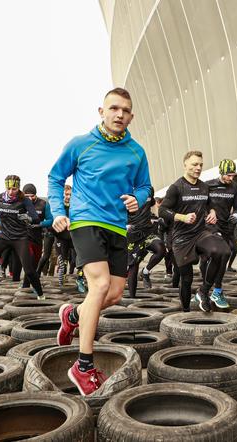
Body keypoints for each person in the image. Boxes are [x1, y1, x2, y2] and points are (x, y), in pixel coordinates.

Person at [51, 88, 152, 396]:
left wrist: (138, 199)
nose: (119, 114)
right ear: (101, 111)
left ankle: (72, 315)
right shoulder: (80, 145)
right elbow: (56, 178)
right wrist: (58, 211)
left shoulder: (136, 151)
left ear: (131, 116)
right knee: (100, 286)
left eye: (125, 110)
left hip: (117, 227)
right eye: (114, 108)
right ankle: (83, 366)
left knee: (116, 292)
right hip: (85, 221)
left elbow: (145, 185)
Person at [159, 150, 231, 312]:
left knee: (222, 251)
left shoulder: (204, 187)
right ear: (185, 165)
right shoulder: (176, 187)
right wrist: (181, 217)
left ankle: (203, 291)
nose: (198, 168)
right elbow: (162, 210)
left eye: (200, 165)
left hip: (200, 233)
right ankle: (185, 312)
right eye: (194, 164)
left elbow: (210, 204)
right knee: (186, 279)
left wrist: (212, 212)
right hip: (182, 238)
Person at [0, 175, 44, 307]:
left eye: (14, 189)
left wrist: (26, 217)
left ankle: (41, 295)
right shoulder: (0, 197)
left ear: (18, 187)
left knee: (28, 270)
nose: (11, 192)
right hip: (3, 237)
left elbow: (36, 218)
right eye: (9, 188)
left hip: (20, 238)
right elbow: (1, 211)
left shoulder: (24, 201)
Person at [202, 158, 237, 308]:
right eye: (229, 175)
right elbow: (201, 205)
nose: (231, 178)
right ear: (221, 173)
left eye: (233, 175)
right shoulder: (208, 185)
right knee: (217, 256)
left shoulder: (235, 187)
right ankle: (211, 290)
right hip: (211, 226)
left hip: (227, 226)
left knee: (225, 256)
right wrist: (209, 211)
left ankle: (214, 291)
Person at [126, 186, 166, 296]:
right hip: (133, 234)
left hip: (148, 233)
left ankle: (145, 272)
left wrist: (155, 218)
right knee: (134, 265)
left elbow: (151, 206)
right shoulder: (125, 188)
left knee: (161, 250)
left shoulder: (148, 189)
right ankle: (132, 298)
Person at [20, 183, 54, 290]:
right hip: (24, 236)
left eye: (32, 196)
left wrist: (40, 224)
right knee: (28, 259)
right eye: (27, 196)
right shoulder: (19, 203)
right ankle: (25, 286)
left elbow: (50, 220)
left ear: (36, 194)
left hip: (37, 236)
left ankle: (29, 284)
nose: (30, 198)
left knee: (35, 262)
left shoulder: (43, 204)